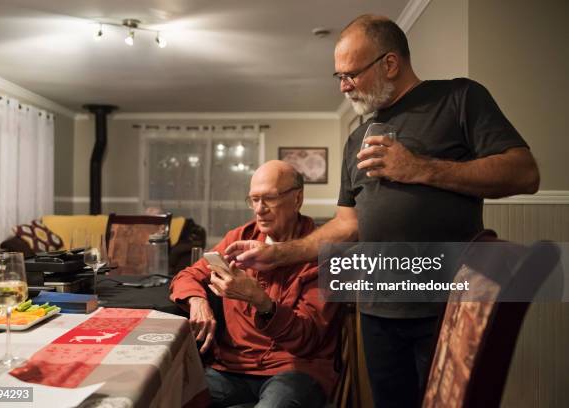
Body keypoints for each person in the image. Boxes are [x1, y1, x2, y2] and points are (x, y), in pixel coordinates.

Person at [224, 14, 540, 408]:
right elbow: (346, 226)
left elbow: (525, 173)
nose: (343, 87)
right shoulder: (356, 136)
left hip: (442, 305)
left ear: (389, 63)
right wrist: (276, 254)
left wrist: (421, 168)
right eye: (338, 76)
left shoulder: (459, 98)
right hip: (375, 310)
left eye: (351, 74)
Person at [170, 160, 340, 408]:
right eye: (254, 199)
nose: (259, 210)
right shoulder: (239, 237)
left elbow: (307, 339)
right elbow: (187, 276)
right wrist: (197, 301)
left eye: (269, 198)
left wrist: (261, 301)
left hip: (294, 370)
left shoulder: (323, 253)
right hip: (230, 368)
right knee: (170, 395)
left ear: (297, 199)